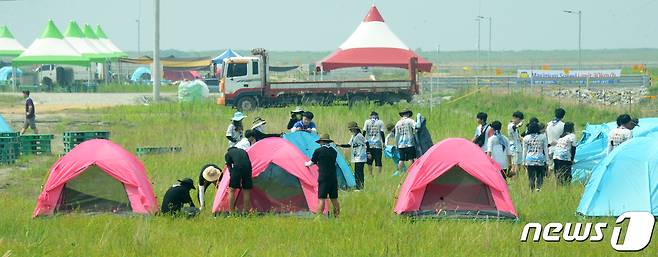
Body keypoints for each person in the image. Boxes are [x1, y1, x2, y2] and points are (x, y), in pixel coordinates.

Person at [305, 134, 340, 217]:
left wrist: (306, 164)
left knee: (322, 199)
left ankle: (319, 218)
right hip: (333, 178)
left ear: (321, 142)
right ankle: (337, 217)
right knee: (334, 198)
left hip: (323, 178)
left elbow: (311, 162)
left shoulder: (318, 151)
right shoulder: (334, 151)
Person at [339, 122, 368, 190]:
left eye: (351, 129)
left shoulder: (360, 136)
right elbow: (349, 145)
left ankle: (360, 187)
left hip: (361, 157)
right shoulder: (353, 136)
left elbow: (367, 143)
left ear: (355, 129)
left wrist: (368, 152)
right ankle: (358, 186)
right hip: (356, 157)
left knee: (359, 172)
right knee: (356, 172)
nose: (350, 131)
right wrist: (340, 145)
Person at [225, 146, 253, 213]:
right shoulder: (243, 151)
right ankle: (246, 211)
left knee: (231, 190)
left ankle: (231, 211)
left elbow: (229, 167)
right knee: (246, 190)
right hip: (248, 168)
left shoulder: (228, 154)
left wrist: (233, 176)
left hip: (237, 167)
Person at [523, 122, 549, 192]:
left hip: (529, 159)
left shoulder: (526, 138)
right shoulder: (543, 137)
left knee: (531, 176)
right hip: (540, 159)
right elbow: (545, 149)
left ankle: (532, 190)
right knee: (540, 175)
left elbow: (524, 150)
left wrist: (523, 161)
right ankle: (538, 189)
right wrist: (547, 161)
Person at [395, 108, 417, 173]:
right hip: (409, 143)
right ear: (408, 114)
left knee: (401, 159)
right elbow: (416, 126)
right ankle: (411, 171)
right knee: (411, 158)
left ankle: (398, 171)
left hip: (401, 144)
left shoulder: (398, 123)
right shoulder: (410, 121)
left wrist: (396, 144)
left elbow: (396, 135)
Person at [363, 111, 385, 176]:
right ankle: (379, 174)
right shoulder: (380, 122)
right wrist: (383, 142)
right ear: (377, 116)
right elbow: (382, 132)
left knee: (369, 161)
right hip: (377, 144)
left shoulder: (367, 122)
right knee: (378, 160)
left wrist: (363, 141)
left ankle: (370, 174)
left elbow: (364, 131)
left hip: (368, 144)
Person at [546, 108, 566, 172]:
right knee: (558, 168)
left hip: (549, 147)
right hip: (559, 148)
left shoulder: (548, 124)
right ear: (563, 116)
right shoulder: (563, 125)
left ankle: (548, 180)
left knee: (550, 166)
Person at [508, 111, 525, 176]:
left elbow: (518, 136)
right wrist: (518, 125)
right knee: (515, 165)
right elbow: (514, 128)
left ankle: (514, 178)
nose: (520, 121)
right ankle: (514, 179)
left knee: (516, 165)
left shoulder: (513, 125)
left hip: (516, 147)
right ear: (515, 118)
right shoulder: (511, 125)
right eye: (519, 119)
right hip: (515, 148)